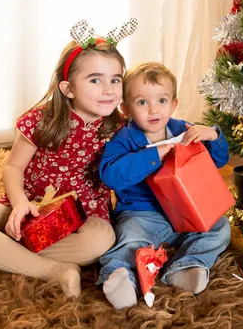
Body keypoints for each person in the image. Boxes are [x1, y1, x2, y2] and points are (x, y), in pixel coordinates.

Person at [0, 19, 137, 298]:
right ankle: (53, 270)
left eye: (115, 79)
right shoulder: (43, 120)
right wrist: (19, 204)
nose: (109, 89)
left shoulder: (120, 128)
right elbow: (13, 166)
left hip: (83, 221)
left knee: (100, 242)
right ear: (68, 89)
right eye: (95, 80)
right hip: (31, 208)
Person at [97, 62, 231, 309]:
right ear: (125, 109)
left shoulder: (182, 129)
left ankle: (185, 267)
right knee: (129, 240)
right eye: (142, 102)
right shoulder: (124, 139)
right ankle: (121, 280)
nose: (153, 110)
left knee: (220, 227)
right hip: (141, 214)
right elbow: (110, 174)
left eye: (161, 100)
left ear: (174, 104)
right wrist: (153, 155)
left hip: (184, 211)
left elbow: (219, 160)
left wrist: (213, 135)